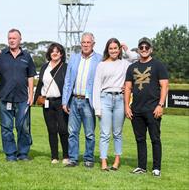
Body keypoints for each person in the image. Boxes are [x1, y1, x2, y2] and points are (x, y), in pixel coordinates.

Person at [0, 29, 37, 161]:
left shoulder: (27, 56)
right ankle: (10, 154)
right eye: (9, 38)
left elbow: (30, 76)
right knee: (6, 128)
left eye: (14, 38)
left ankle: (23, 154)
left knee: (23, 128)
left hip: (23, 99)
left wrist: (31, 94)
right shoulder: (1, 55)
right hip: (5, 98)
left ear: (20, 40)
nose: (11, 40)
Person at [124, 37, 169, 177]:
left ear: (151, 49)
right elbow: (127, 88)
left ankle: (156, 168)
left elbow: (165, 86)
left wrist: (160, 105)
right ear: (138, 49)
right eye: (141, 47)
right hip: (136, 109)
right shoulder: (131, 67)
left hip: (153, 109)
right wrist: (126, 106)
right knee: (140, 139)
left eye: (146, 47)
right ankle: (141, 167)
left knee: (155, 139)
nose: (144, 49)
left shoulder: (158, 65)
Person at [93, 38, 138, 171]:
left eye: (115, 48)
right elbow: (96, 86)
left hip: (120, 99)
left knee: (117, 133)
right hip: (104, 99)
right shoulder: (101, 65)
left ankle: (117, 161)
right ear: (107, 50)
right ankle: (104, 161)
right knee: (105, 133)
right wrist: (97, 108)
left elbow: (137, 58)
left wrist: (127, 49)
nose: (113, 50)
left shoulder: (125, 63)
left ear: (119, 49)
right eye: (111, 48)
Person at [62, 32, 102, 168]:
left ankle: (88, 158)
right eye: (83, 42)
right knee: (72, 132)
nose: (85, 45)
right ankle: (73, 158)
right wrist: (64, 101)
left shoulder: (99, 60)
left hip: (88, 102)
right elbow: (67, 81)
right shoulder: (73, 58)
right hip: (74, 100)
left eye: (88, 42)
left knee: (90, 133)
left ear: (93, 44)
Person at [34, 42, 69, 164]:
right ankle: (54, 156)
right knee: (51, 129)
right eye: (52, 51)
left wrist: (68, 102)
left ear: (61, 54)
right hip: (47, 102)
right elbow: (40, 84)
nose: (55, 53)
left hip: (61, 102)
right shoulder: (44, 67)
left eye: (57, 51)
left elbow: (68, 85)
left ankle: (66, 156)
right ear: (49, 53)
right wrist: (34, 99)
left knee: (63, 129)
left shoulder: (65, 67)